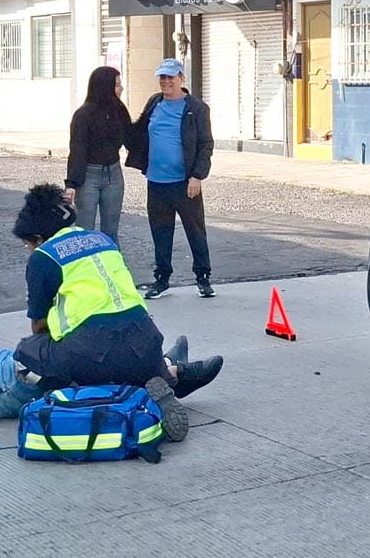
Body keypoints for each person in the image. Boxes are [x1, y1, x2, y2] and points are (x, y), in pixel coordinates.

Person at [12, 183, 223, 441]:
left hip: (91, 350)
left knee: (25, 353)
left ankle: (97, 394)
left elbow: (38, 326)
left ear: (38, 238)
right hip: (146, 339)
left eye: (28, 244)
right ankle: (167, 373)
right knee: (122, 357)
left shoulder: (43, 257)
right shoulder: (104, 240)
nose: (29, 250)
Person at [125, 58, 215, 299]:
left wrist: (197, 176)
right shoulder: (155, 102)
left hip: (185, 183)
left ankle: (203, 277)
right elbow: (138, 129)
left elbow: (206, 145)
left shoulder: (196, 108)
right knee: (161, 232)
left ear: (181, 79)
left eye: (170, 77)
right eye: (162, 77)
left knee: (195, 230)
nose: (165, 82)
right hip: (157, 182)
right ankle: (162, 279)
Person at [64, 66, 131, 246]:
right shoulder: (83, 115)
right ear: (105, 86)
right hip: (89, 176)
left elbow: (132, 137)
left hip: (113, 173)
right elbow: (77, 149)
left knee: (110, 231)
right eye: (117, 85)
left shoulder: (119, 110)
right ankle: (83, 268)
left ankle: (112, 269)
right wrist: (72, 184)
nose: (121, 88)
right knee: (84, 229)